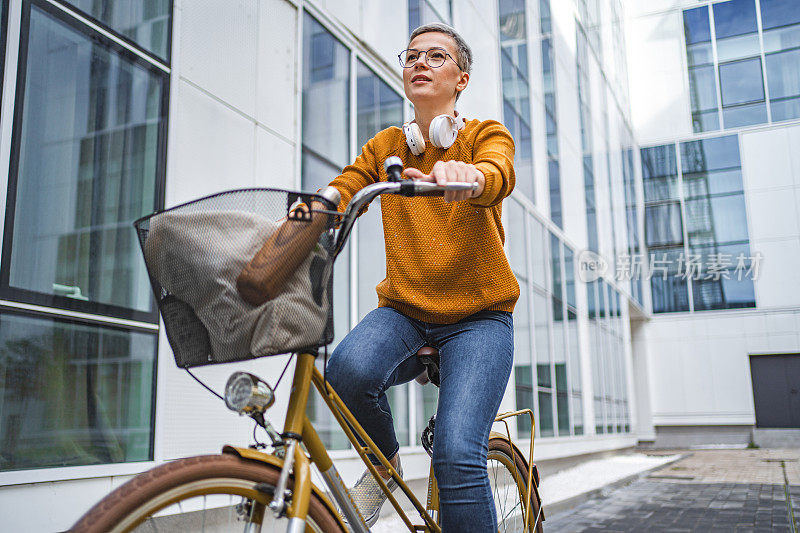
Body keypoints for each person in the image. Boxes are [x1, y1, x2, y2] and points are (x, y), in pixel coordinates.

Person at [323, 22, 519, 531]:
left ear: (462, 78)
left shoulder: (482, 136)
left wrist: (469, 176)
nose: (420, 63)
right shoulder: (389, 145)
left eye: (436, 56)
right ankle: (384, 467)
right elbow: (346, 187)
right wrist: (312, 212)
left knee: (456, 454)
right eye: (412, 56)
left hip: (478, 320)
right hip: (406, 314)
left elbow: (497, 172)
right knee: (346, 370)